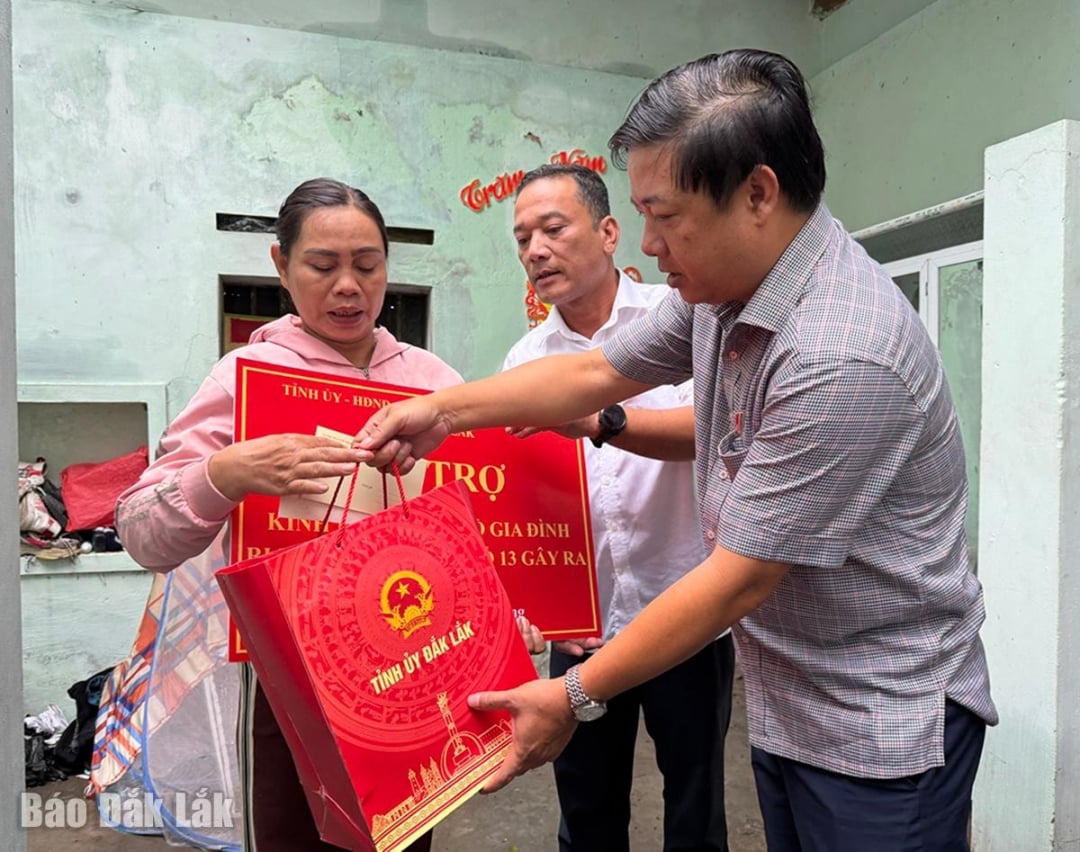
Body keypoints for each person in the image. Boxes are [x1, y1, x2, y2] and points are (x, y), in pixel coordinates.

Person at [355, 49, 997, 852]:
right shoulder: (725, 294)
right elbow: (596, 373)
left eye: (665, 216)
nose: (651, 244)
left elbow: (738, 578)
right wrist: (442, 412)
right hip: (794, 697)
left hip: (877, 724)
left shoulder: (841, 353)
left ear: (757, 193)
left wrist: (573, 695)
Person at [113, 178, 461, 851]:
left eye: (367, 265)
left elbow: (481, 527)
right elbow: (140, 530)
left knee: (402, 837)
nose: (348, 287)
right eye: (322, 266)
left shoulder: (434, 382)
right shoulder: (245, 379)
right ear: (281, 264)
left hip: (413, 668)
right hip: (285, 679)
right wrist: (225, 474)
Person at [505, 163, 733, 851]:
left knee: (696, 807)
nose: (536, 250)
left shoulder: (680, 321)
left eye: (553, 229)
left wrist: (603, 419)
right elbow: (522, 500)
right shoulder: (526, 363)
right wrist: (534, 604)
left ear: (608, 233)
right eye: (522, 238)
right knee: (588, 813)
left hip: (686, 614)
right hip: (584, 627)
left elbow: (714, 429)